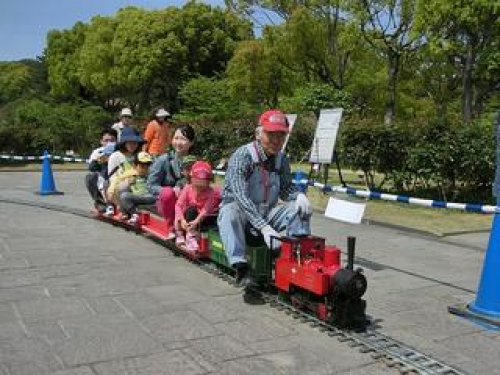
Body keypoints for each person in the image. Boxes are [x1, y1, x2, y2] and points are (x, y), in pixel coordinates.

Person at [217, 109, 313, 288]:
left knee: (298, 210)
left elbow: (285, 188)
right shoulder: (242, 156)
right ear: (258, 133)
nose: (276, 141)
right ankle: (241, 267)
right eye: (271, 134)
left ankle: (297, 260)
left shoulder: (281, 159)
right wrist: (264, 227)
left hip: (267, 212)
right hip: (242, 216)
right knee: (229, 212)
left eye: (281, 135)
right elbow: (240, 196)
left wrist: (299, 195)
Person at [147, 124, 196, 238]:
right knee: (168, 193)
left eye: (183, 139)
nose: (178, 142)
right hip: (166, 202)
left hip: (186, 202)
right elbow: (151, 185)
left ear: (191, 142)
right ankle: (172, 228)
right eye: (176, 138)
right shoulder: (163, 160)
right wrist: (170, 190)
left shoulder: (194, 162)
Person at [175, 160, 221, 251]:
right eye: (197, 186)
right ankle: (182, 235)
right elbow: (178, 205)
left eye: (203, 186)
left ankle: (194, 235)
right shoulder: (188, 188)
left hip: (203, 218)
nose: (200, 189)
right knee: (190, 210)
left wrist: (196, 221)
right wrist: (182, 220)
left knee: (214, 218)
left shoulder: (211, 193)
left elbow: (206, 209)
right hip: (189, 217)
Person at [105, 127, 144, 216]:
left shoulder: (140, 156)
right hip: (120, 189)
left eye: (135, 142)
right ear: (124, 143)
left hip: (139, 188)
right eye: (130, 142)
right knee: (107, 184)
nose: (133, 145)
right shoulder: (115, 156)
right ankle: (121, 207)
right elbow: (112, 180)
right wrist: (127, 183)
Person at [108, 151, 156, 224]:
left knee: (154, 196)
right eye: (142, 167)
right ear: (135, 165)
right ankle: (134, 213)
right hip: (136, 197)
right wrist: (111, 191)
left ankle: (129, 212)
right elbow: (116, 180)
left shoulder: (151, 174)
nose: (145, 169)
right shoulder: (130, 173)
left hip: (149, 197)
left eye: (147, 166)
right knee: (124, 195)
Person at [85, 128, 117, 211]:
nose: (109, 143)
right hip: (102, 185)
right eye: (106, 140)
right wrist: (102, 160)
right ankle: (100, 202)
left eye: (112, 140)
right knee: (90, 176)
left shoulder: (120, 151)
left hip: (116, 184)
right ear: (101, 142)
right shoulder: (97, 152)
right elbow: (91, 168)